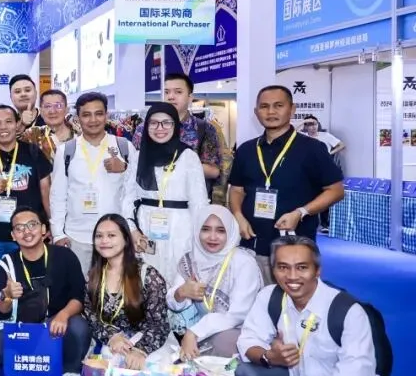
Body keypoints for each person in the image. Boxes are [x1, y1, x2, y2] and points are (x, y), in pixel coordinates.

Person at [235, 236, 388, 376]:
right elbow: (248, 340)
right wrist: (269, 357)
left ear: (318, 270)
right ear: (273, 270)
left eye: (302, 268)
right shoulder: (270, 296)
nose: (292, 276)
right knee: (245, 372)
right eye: (283, 267)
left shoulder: (348, 310)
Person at [228, 86, 344, 283]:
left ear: (292, 109)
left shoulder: (312, 148)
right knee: (249, 298)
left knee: (292, 299)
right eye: (264, 106)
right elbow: (237, 190)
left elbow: (336, 191)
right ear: (256, 112)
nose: (271, 112)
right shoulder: (246, 149)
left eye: (278, 106)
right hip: (250, 244)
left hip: (295, 247)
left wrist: (301, 212)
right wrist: (238, 215)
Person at [0, 206, 89, 376]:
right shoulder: (5, 265)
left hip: (55, 325)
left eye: (32, 225)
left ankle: (70, 370)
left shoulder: (65, 256)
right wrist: (6, 295)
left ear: (44, 229)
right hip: (21, 329)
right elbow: (1, 312)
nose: (27, 231)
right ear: (13, 235)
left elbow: (78, 297)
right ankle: (39, 357)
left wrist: (63, 315)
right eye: (19, 228)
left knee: (78, 326)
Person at [168, 206, 263, 373]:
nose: (212, 237)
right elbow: (172, 303)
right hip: (197, 327)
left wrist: (194, 332)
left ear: (230, 232)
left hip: (235, 329)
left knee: (223, 342)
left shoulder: (243, 262)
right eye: (205, 229)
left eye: (220, 230)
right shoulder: (190, 259)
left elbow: (237, 315)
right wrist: (181, 292)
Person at [122, 102, 208, 286]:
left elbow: (199, 203)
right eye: (153, 123)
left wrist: (199, 241)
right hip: (145, 228)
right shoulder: (139, 156)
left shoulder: (188, 157)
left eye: (166, 122)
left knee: (178, 279)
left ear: (175, 125)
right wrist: (132, 230)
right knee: (146, 280)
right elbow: (127, 197)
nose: (160, 128)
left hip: (180, 229)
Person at [50, 92, 135, 275]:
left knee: (114, 288)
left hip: (115, 237)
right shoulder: (66, 151)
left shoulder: (124, 147)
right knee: (78, 289)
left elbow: (133, 192)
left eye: (99, 113)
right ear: (78, 118)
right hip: (76, 237)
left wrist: (125, 168)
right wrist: (58, 234)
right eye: (86, 115)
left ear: (106, 115)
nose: (93, 120)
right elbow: (58, 195)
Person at [83, 214, 170, 371]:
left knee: (148, 367)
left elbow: (159, 325)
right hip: (115, 344)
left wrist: (140, 350)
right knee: (106, 365)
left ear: (126, 239)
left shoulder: (148, 276)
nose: (104, 241)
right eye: (99, 236)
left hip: (148, 343)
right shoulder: (93, 276)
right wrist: (112, 336)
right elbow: (91, 316)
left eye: (111, 235)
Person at [0, 105, 52, 266]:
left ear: (17, 124)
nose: (3, 127)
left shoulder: (33, 152)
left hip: (28, 234)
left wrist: (51, 224)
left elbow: (45, 191)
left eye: (8, 122)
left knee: (28, 278)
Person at [133, 74, 226, 200]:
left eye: (178, 92)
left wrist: (178, 162)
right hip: (150, 201)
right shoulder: (144, 129)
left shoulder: (204, 129)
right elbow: (135, 165)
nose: (171, 97)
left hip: (189, 202)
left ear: (190, 97)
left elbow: (214, 171)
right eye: (166, 92)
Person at [22, 89, 76, 162]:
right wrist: (22, 124)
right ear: (41, 112)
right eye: (47, 106)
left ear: (66, 110)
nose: (52, 111)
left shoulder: (81, 134)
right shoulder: (33, 134)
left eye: (58, 105)